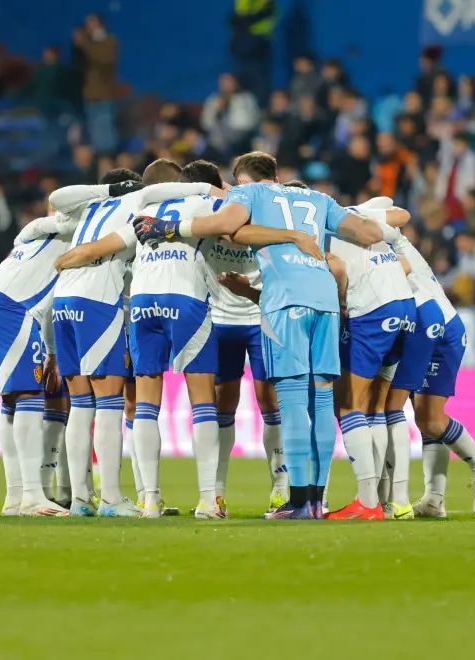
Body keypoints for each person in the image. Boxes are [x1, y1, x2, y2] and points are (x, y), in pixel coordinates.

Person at [135, 151, 394, 519]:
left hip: (285, 303)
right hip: (324, 301)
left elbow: (227, 225)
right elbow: (368, 232)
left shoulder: (249, 194)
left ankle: (299, 502)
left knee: (288, 403)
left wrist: (170, 228)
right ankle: (317, 502)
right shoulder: (318, 199)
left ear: (244, 180)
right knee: (321, 404)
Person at [43, 164, 215, 517]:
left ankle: (80, 499)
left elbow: (56, 199)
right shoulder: (143, 203)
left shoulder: (92, 207)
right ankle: (111, 499)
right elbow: (111, 244)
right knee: (110, 402)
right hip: (97, 301)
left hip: (63, 301)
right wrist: (212, 189)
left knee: (80, 404)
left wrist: (69, 255)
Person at [378, 202, 475, 516]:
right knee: (423, 420)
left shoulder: (389, 245)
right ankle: (434, 499)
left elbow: (395, 214)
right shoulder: (386, 244)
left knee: (428, 418)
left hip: (439, 330)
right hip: (418, 328)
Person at [186, 160, 288, 515]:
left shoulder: (274, 215)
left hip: (262, 317)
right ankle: (215, 494)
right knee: (221, 405)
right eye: (237, 183)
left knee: (270, 402)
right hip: (220, 319)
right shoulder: (216, 210)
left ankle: (281, 488)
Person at [0, 213, 75, 517]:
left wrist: (52, 353)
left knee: (12, 402)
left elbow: (29, 229)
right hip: (12, 308)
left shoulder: (36, 238)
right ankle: (32, 495)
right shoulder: (73, 236)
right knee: (30, 397)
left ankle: (15, 496)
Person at [325, 200, 416, 521]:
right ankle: (379, 496)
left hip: (373, 310)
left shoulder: (317, 226)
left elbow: (336, 270)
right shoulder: (353, 217)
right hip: (405, 306)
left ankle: (367, 502)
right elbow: (405, 261)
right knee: (375, 407)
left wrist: (339, 300)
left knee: (348, 404)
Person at [73, 14, 119, 153]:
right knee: (93, 128)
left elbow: (104, 60)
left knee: (105, 128)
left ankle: (107, 156)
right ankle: (98, 156)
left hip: (103, 93)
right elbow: (79, 64)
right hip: (89, 93)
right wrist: (78, 44)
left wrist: (86, 44)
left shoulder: (108, 40)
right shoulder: (88, 42)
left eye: (91, 22)